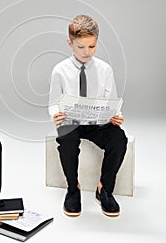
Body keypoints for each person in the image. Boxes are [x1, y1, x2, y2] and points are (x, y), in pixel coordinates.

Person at [48, 14, 128, 217]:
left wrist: (115, 116)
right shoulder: (60, 70)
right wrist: (56, 114)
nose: (86, 52)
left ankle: (105, 189)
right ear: (70, 43)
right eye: (81, 47)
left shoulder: (105, 70)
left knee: (119, 140)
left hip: (97, 122)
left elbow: (112, 99)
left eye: (91, 46)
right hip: (71, 121)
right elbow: (53, 102)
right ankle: (73, 189)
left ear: (96, 42)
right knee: (66, 141)